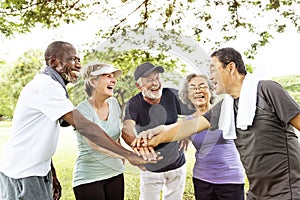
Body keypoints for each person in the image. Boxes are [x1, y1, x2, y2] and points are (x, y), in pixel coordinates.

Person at [133, 47, 300, 200]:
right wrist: (153, 139)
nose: (210, 76)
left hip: (288, 190)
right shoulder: (226, 107)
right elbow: (189, 126)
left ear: (231, 67)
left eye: (213, 70)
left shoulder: (267, 90)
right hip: (257, 192)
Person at [0, 41, 158, 200]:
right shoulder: (47, 86)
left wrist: (50, 173)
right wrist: (129, 155)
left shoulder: (54, 87)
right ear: (53, 61)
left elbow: (39, 137)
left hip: (37, 170)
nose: (78, 65)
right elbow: (86, 128)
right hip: (23, 172)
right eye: (72, 59)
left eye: (79, 60)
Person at [122, 62, 193, 200]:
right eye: (149, 80)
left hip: (177, 166)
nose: (155, 83)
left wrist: (187, 131)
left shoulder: (171, 94)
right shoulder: (133, 104)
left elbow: (199, 111)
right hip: (151, 169)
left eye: (157, 78)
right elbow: (127, 129)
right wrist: (140, 150)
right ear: (138, 86)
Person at [179, 73, 244, 200]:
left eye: (202, 86)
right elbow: (170, 134)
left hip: (231, 180)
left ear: (210, 90)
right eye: (192, 88)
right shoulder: (188, 122)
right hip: (202, 180)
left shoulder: (225, 113)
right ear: (187, 95)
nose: (198, 90)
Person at [72, 63, 125, 200]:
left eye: (114, 77)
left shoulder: (113, 103)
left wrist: (122, 158)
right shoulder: (82, 111)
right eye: (108, 76)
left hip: (115, 174)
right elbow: (96, 144)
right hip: (89, 178)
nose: (114, 80)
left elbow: (115, 137)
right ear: (93, 82)